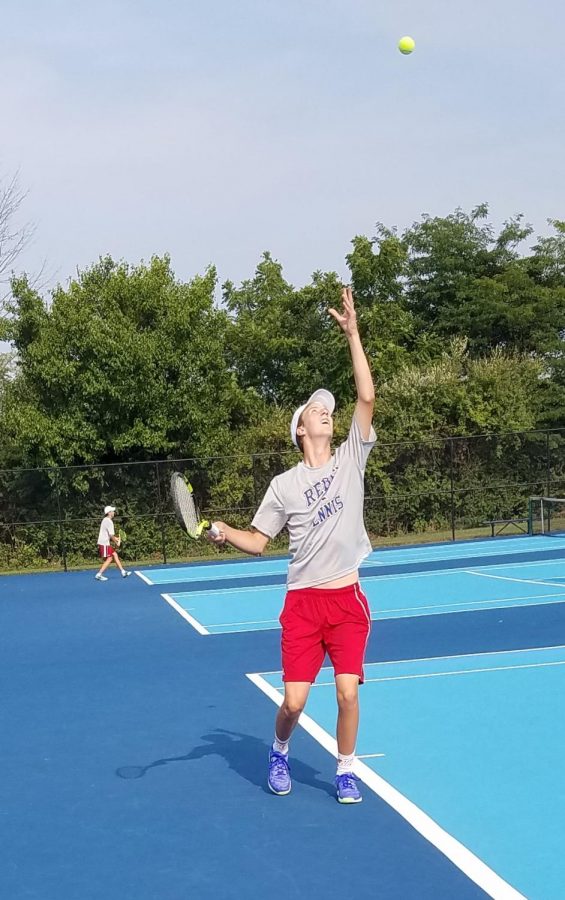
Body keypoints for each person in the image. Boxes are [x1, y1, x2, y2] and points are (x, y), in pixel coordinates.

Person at [209, 287, 376, 804]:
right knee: (295, 703)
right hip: (303, 604)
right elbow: (259, 542)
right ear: (300, 429)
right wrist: (223, 531)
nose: (326, 414)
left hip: (346, 601)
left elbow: (366, 397)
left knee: (347, 694)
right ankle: (278, 751)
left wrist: (353, 333)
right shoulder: (283, 485)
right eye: (316, 411)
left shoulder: (352, 458)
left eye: (328, 411)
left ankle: (346, 769)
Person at [95, 505, 131, 581]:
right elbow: (111, 535)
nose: (114, 512)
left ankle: (123, 572)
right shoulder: (109, 522)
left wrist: (116, 538)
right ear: (109, 513)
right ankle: (99, 574)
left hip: (103, 542)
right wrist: (116, 542)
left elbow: (109, 534)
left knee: (114, 554)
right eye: (112, 511)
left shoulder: (105, 520)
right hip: (104, 542)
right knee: (110, 558)